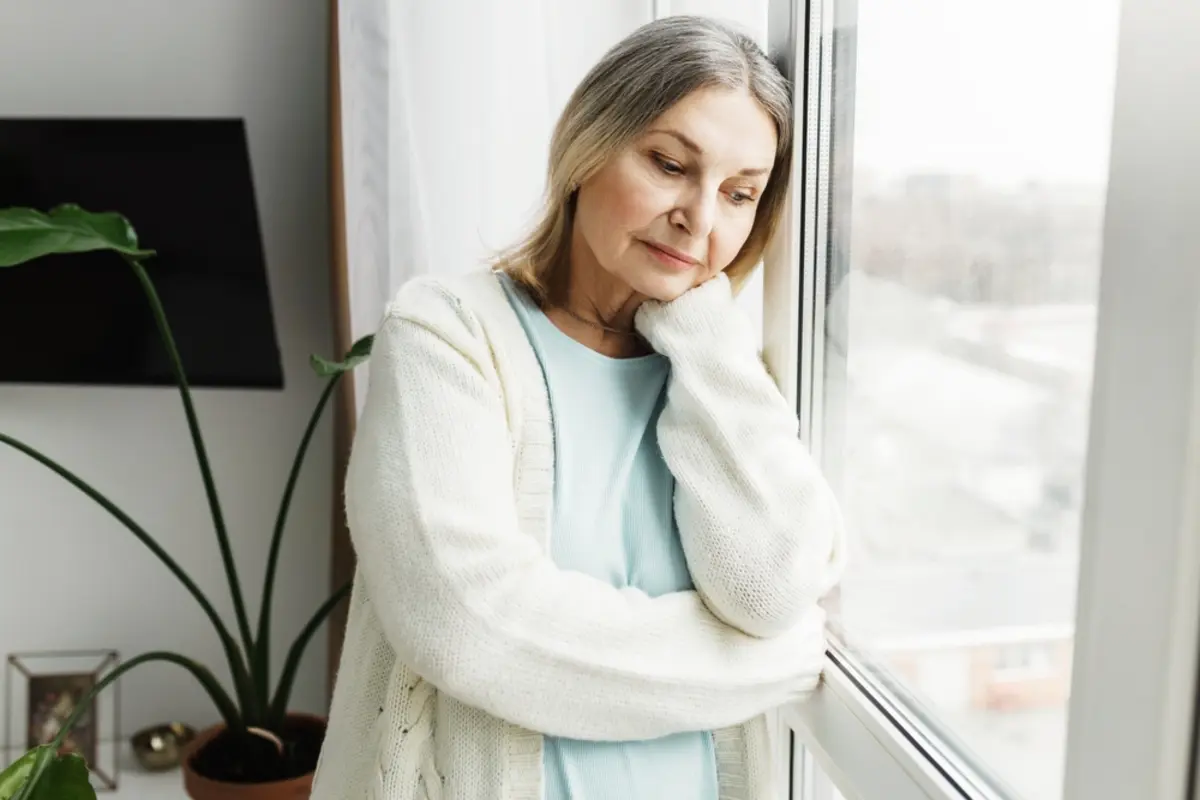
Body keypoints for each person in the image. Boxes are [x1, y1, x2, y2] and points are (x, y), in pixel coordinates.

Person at [312, 15, 846, 800]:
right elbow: (471, 628)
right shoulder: (447, 336)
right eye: (669, 164)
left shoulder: (720, 373)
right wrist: (762, 666)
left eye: (739, 194)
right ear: (587, 146)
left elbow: (769, 588)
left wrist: (699, 328)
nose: (700, 219)